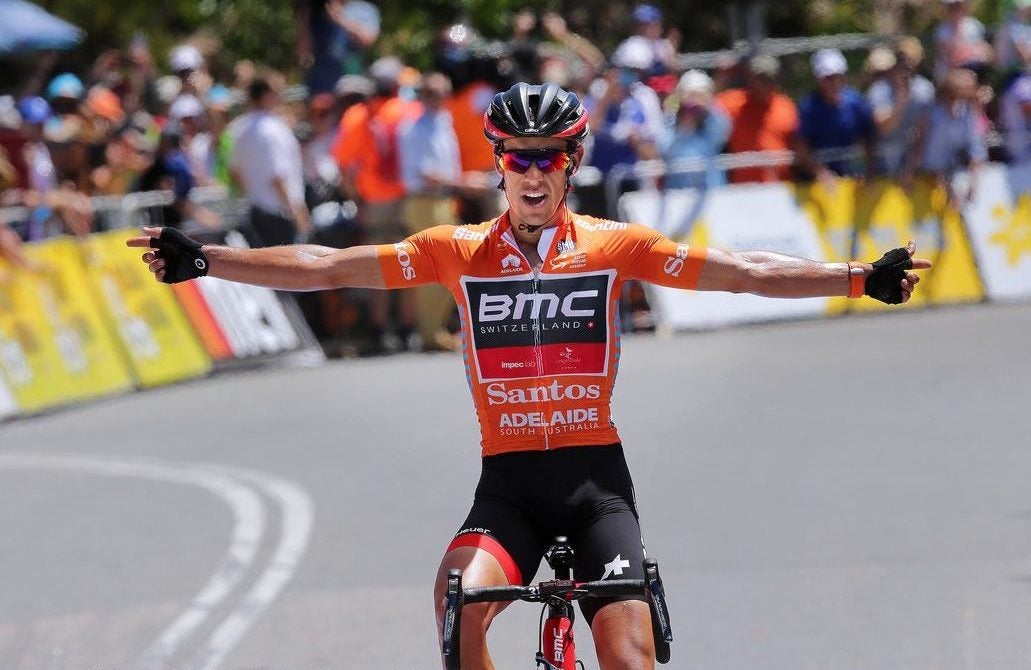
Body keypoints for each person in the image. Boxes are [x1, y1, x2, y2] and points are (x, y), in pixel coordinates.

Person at [129, 82, 931, 670]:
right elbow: (329, 265)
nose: (533, 172)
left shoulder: (613, 246)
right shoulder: (456, 251)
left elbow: (743, 272)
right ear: (499, 165)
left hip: (594, 486)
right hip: (508, 488)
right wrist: (209, 259)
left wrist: (858, 277)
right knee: (457, 602)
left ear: (571, 162)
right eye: (518, 158)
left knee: (626, 658)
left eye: (548, 157)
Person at [230, 74, 310, 246]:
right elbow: (277, 177)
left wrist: (254, 195)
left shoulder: (238, 128)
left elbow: (235, 172)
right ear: (266, 95)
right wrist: (298, 214)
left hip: (256, 213)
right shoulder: (273, 130)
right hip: (280, 215)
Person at [795, 48, 876, 185]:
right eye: (828, 78)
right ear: (819, 79)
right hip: (818, 182)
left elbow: (867, 138)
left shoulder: (856, 103)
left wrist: (867, 170)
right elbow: (801, 147)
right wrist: (820, 172)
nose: (834, 82)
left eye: (838, 77)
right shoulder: (809, 108)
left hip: (852, 178)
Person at [716, 54, 799, 183]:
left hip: (781, 187)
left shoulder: (786, 106)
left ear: (776, 80)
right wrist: (722, 77)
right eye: (758, 78)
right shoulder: (734, 102)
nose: (762, 83)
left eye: (767, 78)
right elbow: (704, 107)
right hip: (744, 188)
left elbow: (799, 144)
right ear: (749, 78)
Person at [866, 42, 936, 176]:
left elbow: (924, 132)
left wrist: (910, 167)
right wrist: (901, 99)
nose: (906, 66)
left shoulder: (925, 90)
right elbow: (882, 128)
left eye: (911, 60)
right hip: (881, 158)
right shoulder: (879, 89)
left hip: (912, 159)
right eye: (901, 60)